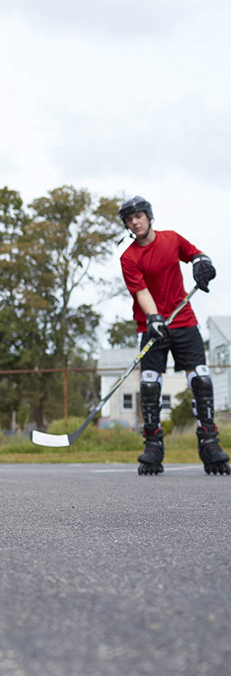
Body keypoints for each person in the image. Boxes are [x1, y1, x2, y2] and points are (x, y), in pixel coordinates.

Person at [119, 196, 229, 476]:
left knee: (201, 380)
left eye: (139, 216)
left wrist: (201, 264)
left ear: (149, 216)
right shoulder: (129, 257)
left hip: (184, 322)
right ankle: (153, 445)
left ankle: (209, 443)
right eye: (129, 219)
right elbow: (141, 291)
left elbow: (196, 255)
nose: (135, 222)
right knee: (150, 384)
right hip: (152, 326)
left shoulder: (171, 240)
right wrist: (153, 317)